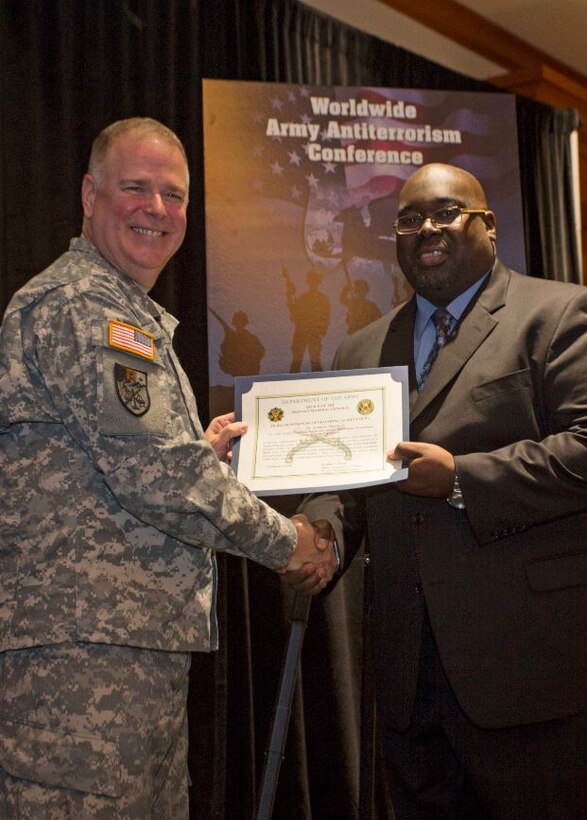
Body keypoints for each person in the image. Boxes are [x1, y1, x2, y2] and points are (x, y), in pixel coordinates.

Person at [0, 117, 337, 818]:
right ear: (89, 195)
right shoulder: (86, 306)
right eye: (135, 188)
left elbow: (132, 460)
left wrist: (193, 450)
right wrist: (291, 543)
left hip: (121, 648)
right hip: (81, 658)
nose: (157, 209)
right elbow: (157, 475)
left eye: (174, 194)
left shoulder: (126, 312)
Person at [288, 163, 587, 818]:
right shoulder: (359, 350)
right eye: (409, 218)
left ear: (487, 225)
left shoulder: (557, 312)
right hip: (406, 673)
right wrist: (323, 534)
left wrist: (461, 480)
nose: (427, 228)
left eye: (446, 212)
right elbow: (340, 482)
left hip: (525, 670)